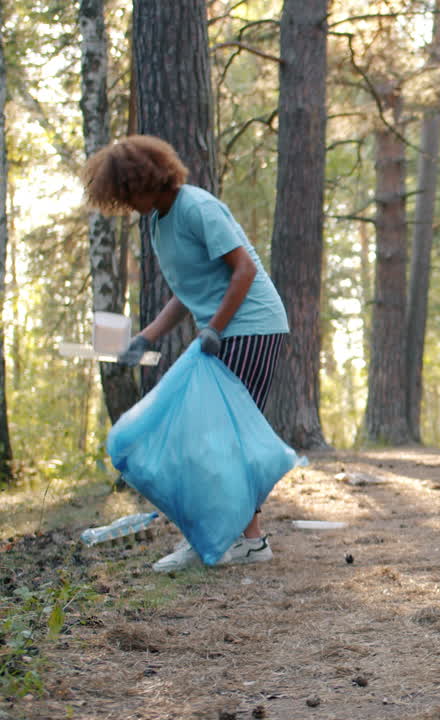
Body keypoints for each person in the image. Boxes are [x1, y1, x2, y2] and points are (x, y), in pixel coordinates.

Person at [80, 135, 291, 573]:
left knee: (221, 437)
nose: (126, 203)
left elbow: (245, 269)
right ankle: (234, 538)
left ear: (148, 179)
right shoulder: (158, 221)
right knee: (209, 437)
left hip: (251, 326)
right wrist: (147, 337)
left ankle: (234, 539)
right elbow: (186, 291)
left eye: (128, 192)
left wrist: (214, 326)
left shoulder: (197, 207)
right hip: (219, 331)